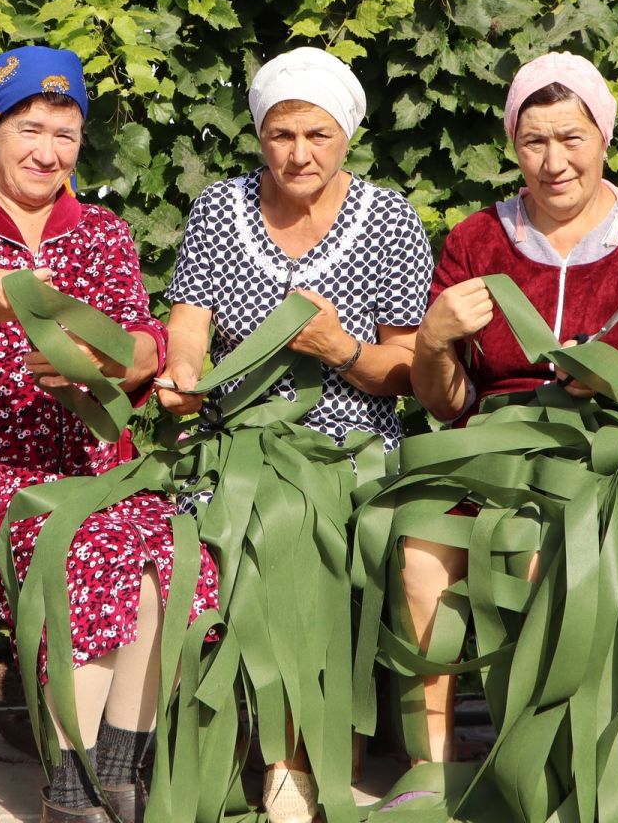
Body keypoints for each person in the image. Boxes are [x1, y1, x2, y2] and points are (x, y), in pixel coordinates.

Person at [0, 45, 217, 823]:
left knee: (176, 553)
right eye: (29, 128)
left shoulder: (101, 232)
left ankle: (119, 776)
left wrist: (111, 362)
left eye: (65, 133)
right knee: (83, 548)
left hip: (92, 464)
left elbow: (143, 345)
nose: (46, 151)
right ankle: (73, 790)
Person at [403, 50, 618, 767]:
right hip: (492, 450)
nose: (554, 161)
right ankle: (434, 765)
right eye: (534, 141)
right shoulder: (477, 239)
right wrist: (432, 339)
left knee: (543, 552)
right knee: (421, 552)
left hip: (615, 449)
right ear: (513, 146)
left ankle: (547, 766)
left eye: (571, 138)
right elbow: (448, 401)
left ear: (603, 138)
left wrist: (617, 375)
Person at [158, 46, 431, 823]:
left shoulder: (388, 220)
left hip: (346, 445)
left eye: (317, 134)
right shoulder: (219, 208)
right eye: (282, 134)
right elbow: (188, 331)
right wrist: (183, 380)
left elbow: (406, 370)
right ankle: (254, 753)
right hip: (235, 439)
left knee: (301, 528)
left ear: (346, 135)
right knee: (207, 532)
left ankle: (298, 760)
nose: (299, 152)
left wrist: (339, 349)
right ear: (260, 133)